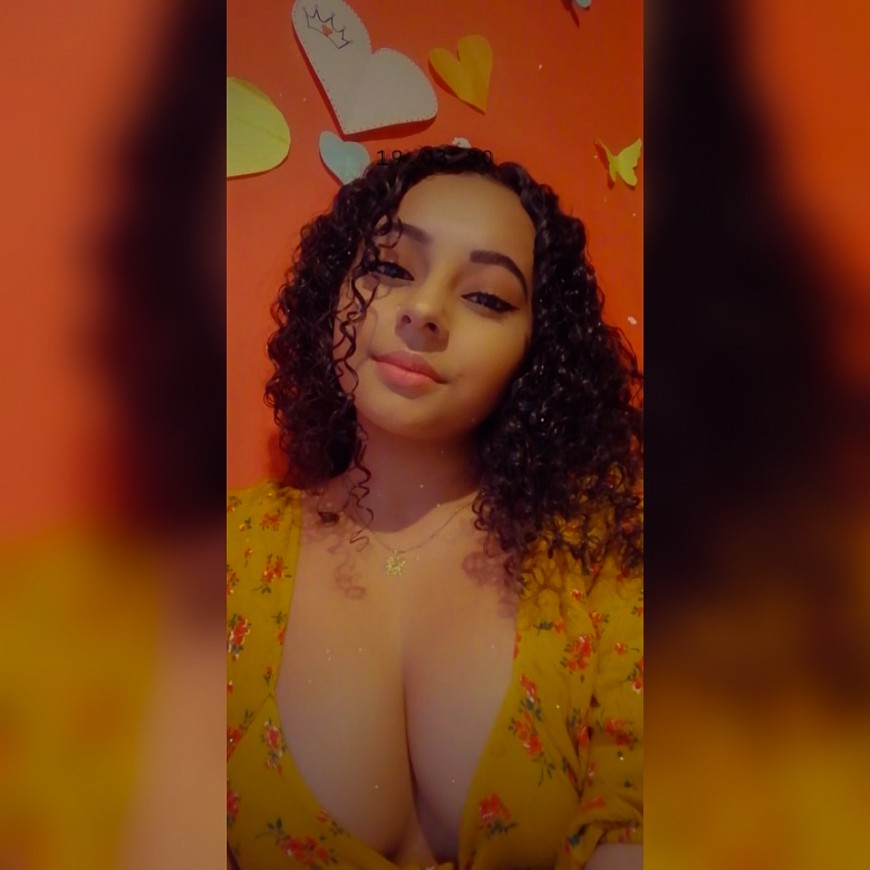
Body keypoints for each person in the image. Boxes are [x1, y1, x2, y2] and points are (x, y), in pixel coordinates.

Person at [227, 145, 643, 869]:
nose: (424, 311)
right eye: (391, 269)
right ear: (335, 290)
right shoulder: (227, 554)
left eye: (487, 298)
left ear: (535, 351)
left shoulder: (608, 547)